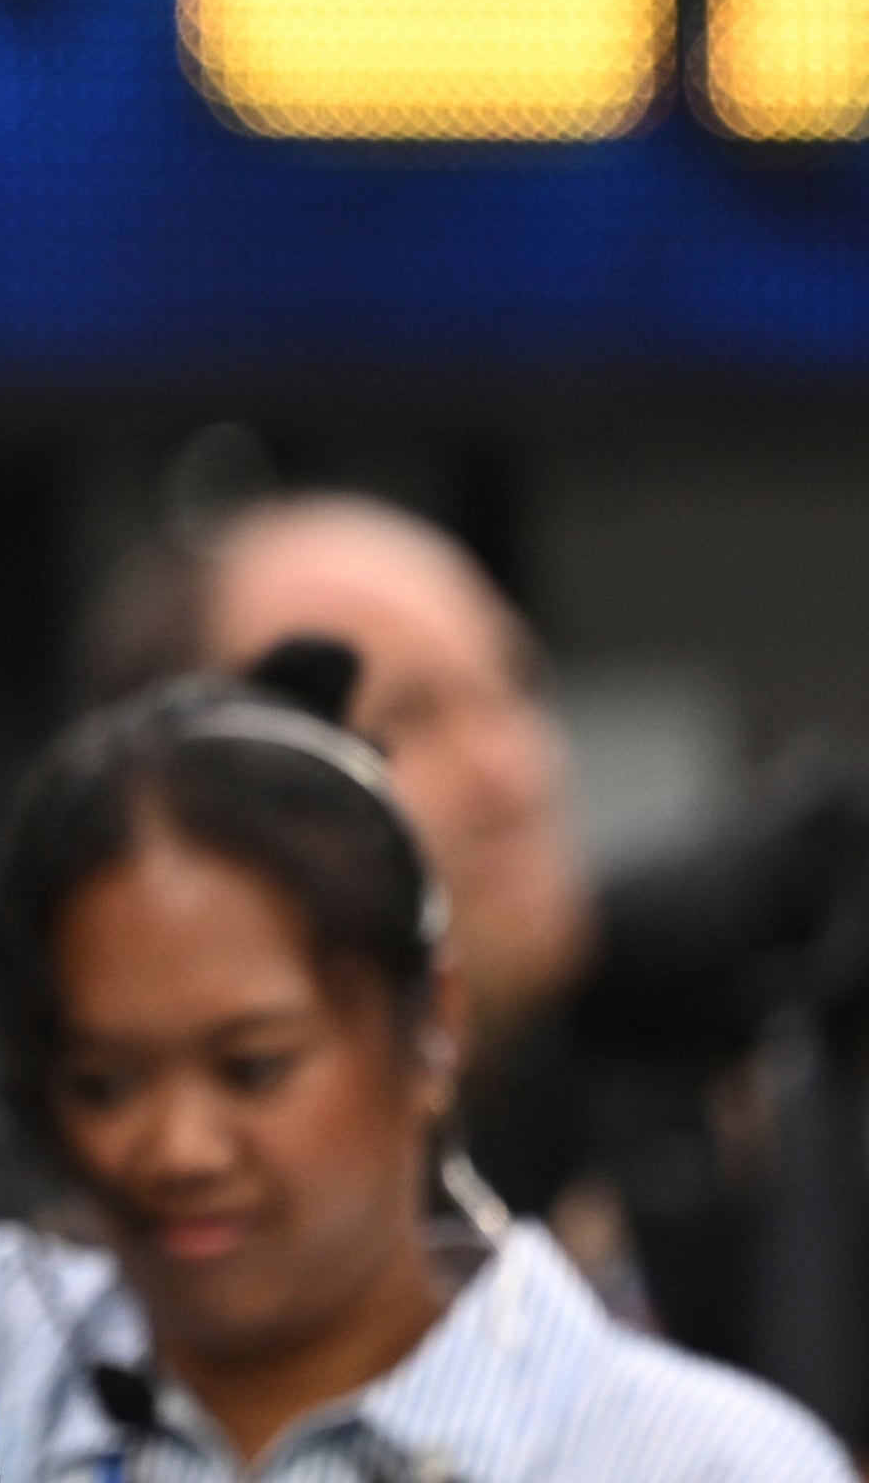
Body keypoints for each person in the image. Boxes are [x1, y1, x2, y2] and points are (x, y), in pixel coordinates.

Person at [86, 489, 869, 1427]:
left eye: (516, 686)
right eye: (408, 717)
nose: (512, 770)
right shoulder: (81, 1341)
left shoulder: (717, 1109)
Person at [0, 643, 847, 1481]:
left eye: (253, 1067)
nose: (180, 1149)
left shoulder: (706, 1465)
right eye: (104, 1083)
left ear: (433, 1026)